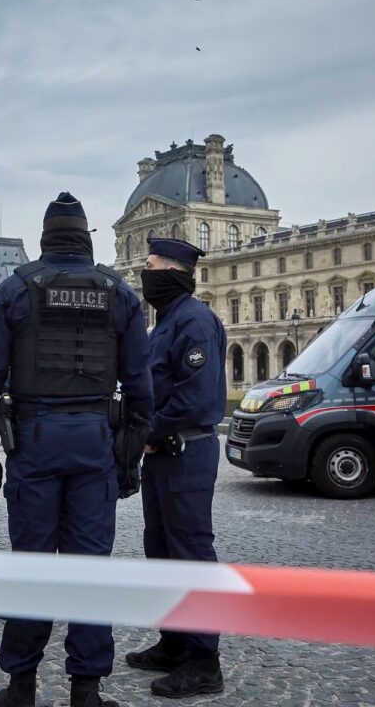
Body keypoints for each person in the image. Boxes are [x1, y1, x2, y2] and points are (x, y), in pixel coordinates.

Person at [0, 192, 154, 707]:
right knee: (90, 566)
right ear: (86, 238)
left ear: (46, 238)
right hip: (96, 440)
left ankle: (21, 685)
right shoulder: (119, 293)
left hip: (33, 441)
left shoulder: (15, 289)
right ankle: (86, 690)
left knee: (31, 563)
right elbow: (141, 390)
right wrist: (130, 459)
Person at [125, 237, 227, 698]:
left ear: (171, 271)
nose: (144, 274)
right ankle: (173, 640)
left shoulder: (195, 322)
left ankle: (204, 661)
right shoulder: (167, 322)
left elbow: (197, 398)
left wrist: (149, 430)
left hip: (185, 451)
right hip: (165, 454)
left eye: (149, 265)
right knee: (161, 549)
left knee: (191, 554)